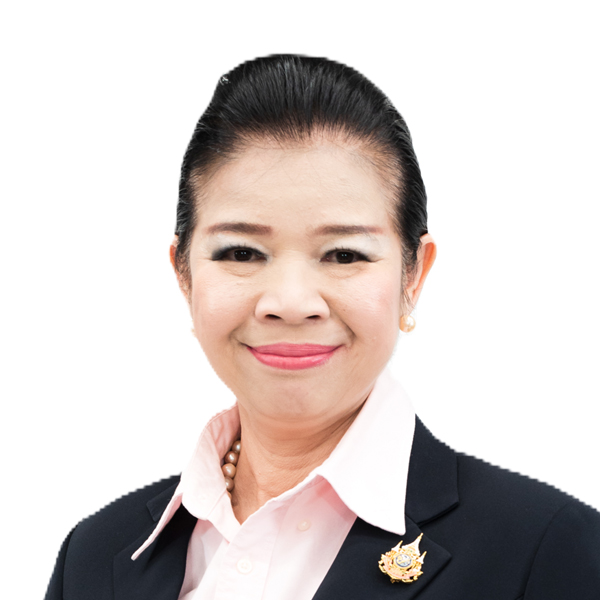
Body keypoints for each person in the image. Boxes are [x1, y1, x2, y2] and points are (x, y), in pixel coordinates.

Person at [44, 54, 600, 600]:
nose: (290, 303)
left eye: (343, 255)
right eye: (241, 252)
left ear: (413, 276)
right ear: (184, 276)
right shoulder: (94, 557)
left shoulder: (548, 551)